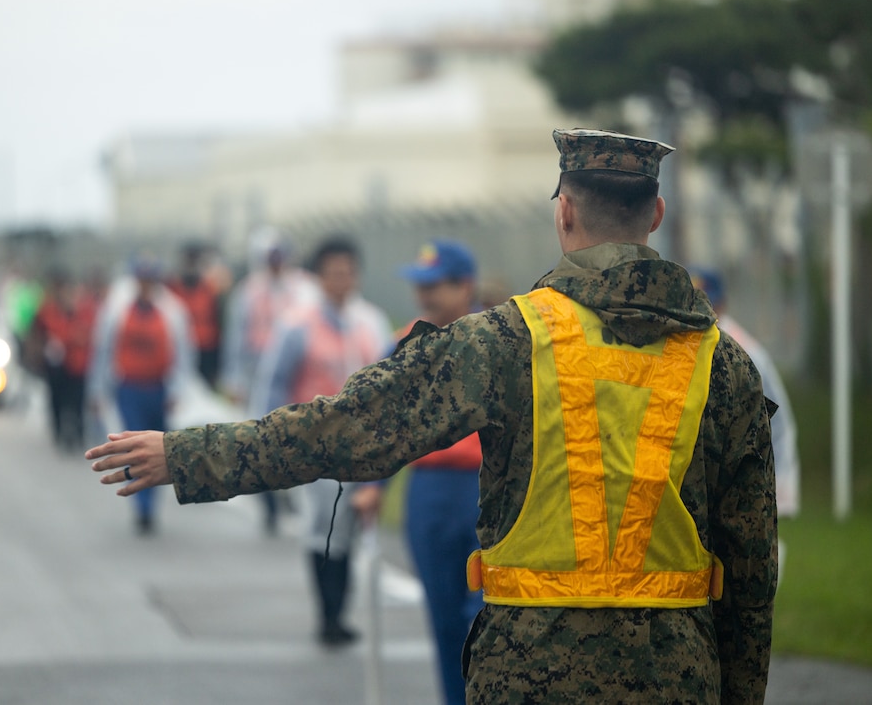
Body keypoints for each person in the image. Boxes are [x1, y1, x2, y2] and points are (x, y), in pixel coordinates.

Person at [89, 129, 778, 703]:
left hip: (530, 678)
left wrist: (185, 455)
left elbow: (348, 427)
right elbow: (751, 568)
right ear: (655, 215)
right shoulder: (725, 364)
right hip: (679, 679)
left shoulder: (504, 340)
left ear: (564, 211)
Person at [251, 236, 392, 645]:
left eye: (348, 271)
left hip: (361, 449)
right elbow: (273, 385)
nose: (341, 280)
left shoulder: (371, 323)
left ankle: (340, 610)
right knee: (321, 528)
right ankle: (327, 614)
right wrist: (269, 443)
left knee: (348, 529)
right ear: (318, 276)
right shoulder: (296, 325)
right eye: (333, 272)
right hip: (312, 449)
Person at [389, 238, 486, 704]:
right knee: (444, 617)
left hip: (483, 488)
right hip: (429, 489)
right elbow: (380, 421)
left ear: (464, 285)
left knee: (485, 615)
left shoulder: (495, 339)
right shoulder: (407, 344)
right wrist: (375, 487)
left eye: (436, 286)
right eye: (420, 286)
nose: (425, 296)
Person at [692, 268, 800, 582]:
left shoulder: (746, 351)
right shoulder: (685, 342)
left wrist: (784, 484)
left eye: (709, 302)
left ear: (722, 303)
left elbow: (779, 422)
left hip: (748, 465)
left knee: (751, 557)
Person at [88, 256, 195, 534]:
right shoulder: (117, 309)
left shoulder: (172, 310)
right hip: (130, 388)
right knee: (134, 447)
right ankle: (142, 507)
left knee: (160, 448)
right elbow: (102, 351)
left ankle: (152, 498)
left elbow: (183, 353)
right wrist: (98, 391)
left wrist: (179, 389)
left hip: (159, 389)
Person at [220, 228, 317, 533]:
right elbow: (237, 338)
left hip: (291, 376)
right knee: (261, 438)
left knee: (293, 435)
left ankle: (291, 491)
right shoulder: (248, 292)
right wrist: (234, 379)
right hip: (257, 376)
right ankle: (270, 502)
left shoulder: (303, 288)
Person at [30, 269, 97, 452]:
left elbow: (89, 335)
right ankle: (59, 433)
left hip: (77, 366)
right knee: (56, 401)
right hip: (56, 366)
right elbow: (37, 333)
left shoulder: (84, 311)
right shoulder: (47, 310)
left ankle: (78, 435)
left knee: (77, 402)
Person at [167, 243, 224, 390]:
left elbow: (217, 324)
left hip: (205, 352)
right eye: (188, 261)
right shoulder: (172, 289)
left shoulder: (209, 290)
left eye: (194, 261)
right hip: (179, 353)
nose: (191, 266)